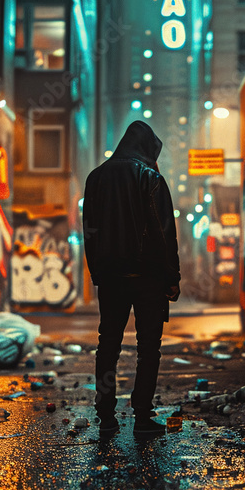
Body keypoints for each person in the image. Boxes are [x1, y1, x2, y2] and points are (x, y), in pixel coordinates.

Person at [83, 120, 181, 436]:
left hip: (111, 276)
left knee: (108, 343)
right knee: (148, 347)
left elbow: (90, 230)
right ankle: (142, 418)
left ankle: (106, 416)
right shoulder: (150, 178)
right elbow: (164, 230)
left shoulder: (96, 178)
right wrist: (171, 276)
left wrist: (96, 271)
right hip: (148, 277)